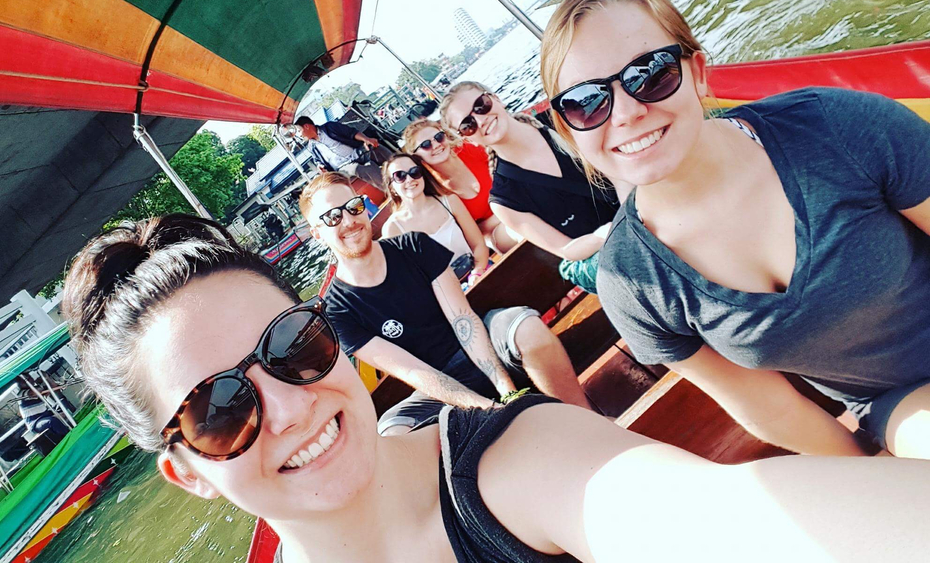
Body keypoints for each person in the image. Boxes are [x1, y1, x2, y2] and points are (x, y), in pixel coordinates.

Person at [61, 213, 930, 563]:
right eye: (221, 409)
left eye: (294, 344)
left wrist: (496, 390)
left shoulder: (518, 468)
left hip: (474, 390)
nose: (289, 406)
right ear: (184, 469)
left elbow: (741, 521)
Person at [541, 0, 930, 458]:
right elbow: (769, 409)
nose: (625, 112)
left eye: (650, 73)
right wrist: (880, 481)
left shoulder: (835, 127)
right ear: (567, 129)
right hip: (906, 404)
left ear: (698, 72)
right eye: (585, 102)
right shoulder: (634, 284)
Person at [300, 172, 592, 434]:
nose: (349, 221)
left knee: (527, 328)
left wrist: (507, 391)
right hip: (436, 384)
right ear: (317, 232)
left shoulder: (413, 246)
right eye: (332, 217)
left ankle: (586, 424)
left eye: (354, 207)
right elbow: (412, 370)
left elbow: (461, 318)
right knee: (393, 431)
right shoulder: (338, 311)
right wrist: (484, 407)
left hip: (480, 346)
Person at [439, 82, 620, 274]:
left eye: (481, 105)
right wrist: (606, 234)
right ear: (468, 139)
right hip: (614, 255)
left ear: (495, 98)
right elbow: (567, 249)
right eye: (468, 125)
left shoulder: (562, 120)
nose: (481, 120)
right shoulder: (505, 201)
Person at [402, 119, 519, 253]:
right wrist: (507, 211)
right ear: (417, 157)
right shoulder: (438, 192)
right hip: (497, 231)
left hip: (519, 207)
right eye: (426, 144)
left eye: (438, 137)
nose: (436, 145)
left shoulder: (471, 150)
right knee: (520, 228)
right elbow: (477, 230)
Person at [380, 153, 490, 284]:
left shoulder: (449, 201)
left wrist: (477, 273)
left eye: (414, 172)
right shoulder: (392, 228)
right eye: (400, 176)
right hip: (442, 295)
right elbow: (409, 279)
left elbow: (478, 245)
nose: (409, 179)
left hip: (478, 274)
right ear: (392, 187)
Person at [292, 116, 391, 192]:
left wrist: (367, 139)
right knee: (359, 169)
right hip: (344, 167)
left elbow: (351, 133)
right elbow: (318, 161)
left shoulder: (329, 127)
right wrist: (320, 167)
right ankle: (390, 190)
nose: (300, 135)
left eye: (299, 131)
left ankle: (403, 167)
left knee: (377, 149)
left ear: (306, 126)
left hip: (357, 152)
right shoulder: (311, 147)